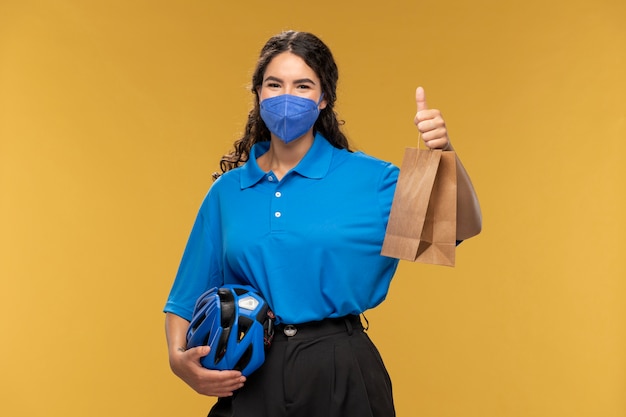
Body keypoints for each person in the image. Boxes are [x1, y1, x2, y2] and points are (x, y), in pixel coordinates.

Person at [164, 30, 482, 417]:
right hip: (251, 368)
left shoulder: (371, 180)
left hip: (340, 365)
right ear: (259, 95)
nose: (286, 96)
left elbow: (461, 227)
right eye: (274, 84)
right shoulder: (228, 192)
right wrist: (179, 361)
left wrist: (444, 153)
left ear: (323, 98)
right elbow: (187, 295)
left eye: (303, 85)